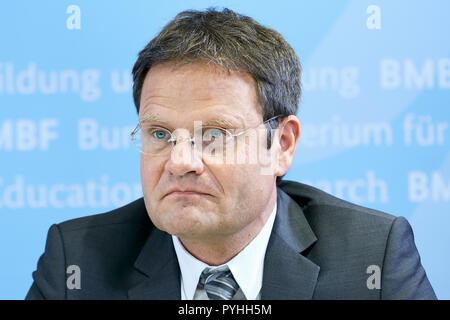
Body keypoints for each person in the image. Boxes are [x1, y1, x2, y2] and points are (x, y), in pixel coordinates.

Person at [26, 8, 436, 300]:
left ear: (282, 146)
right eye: (160, 133)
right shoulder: (75, 265)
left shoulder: (371, 259)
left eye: (215, 135)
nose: (180, 161)